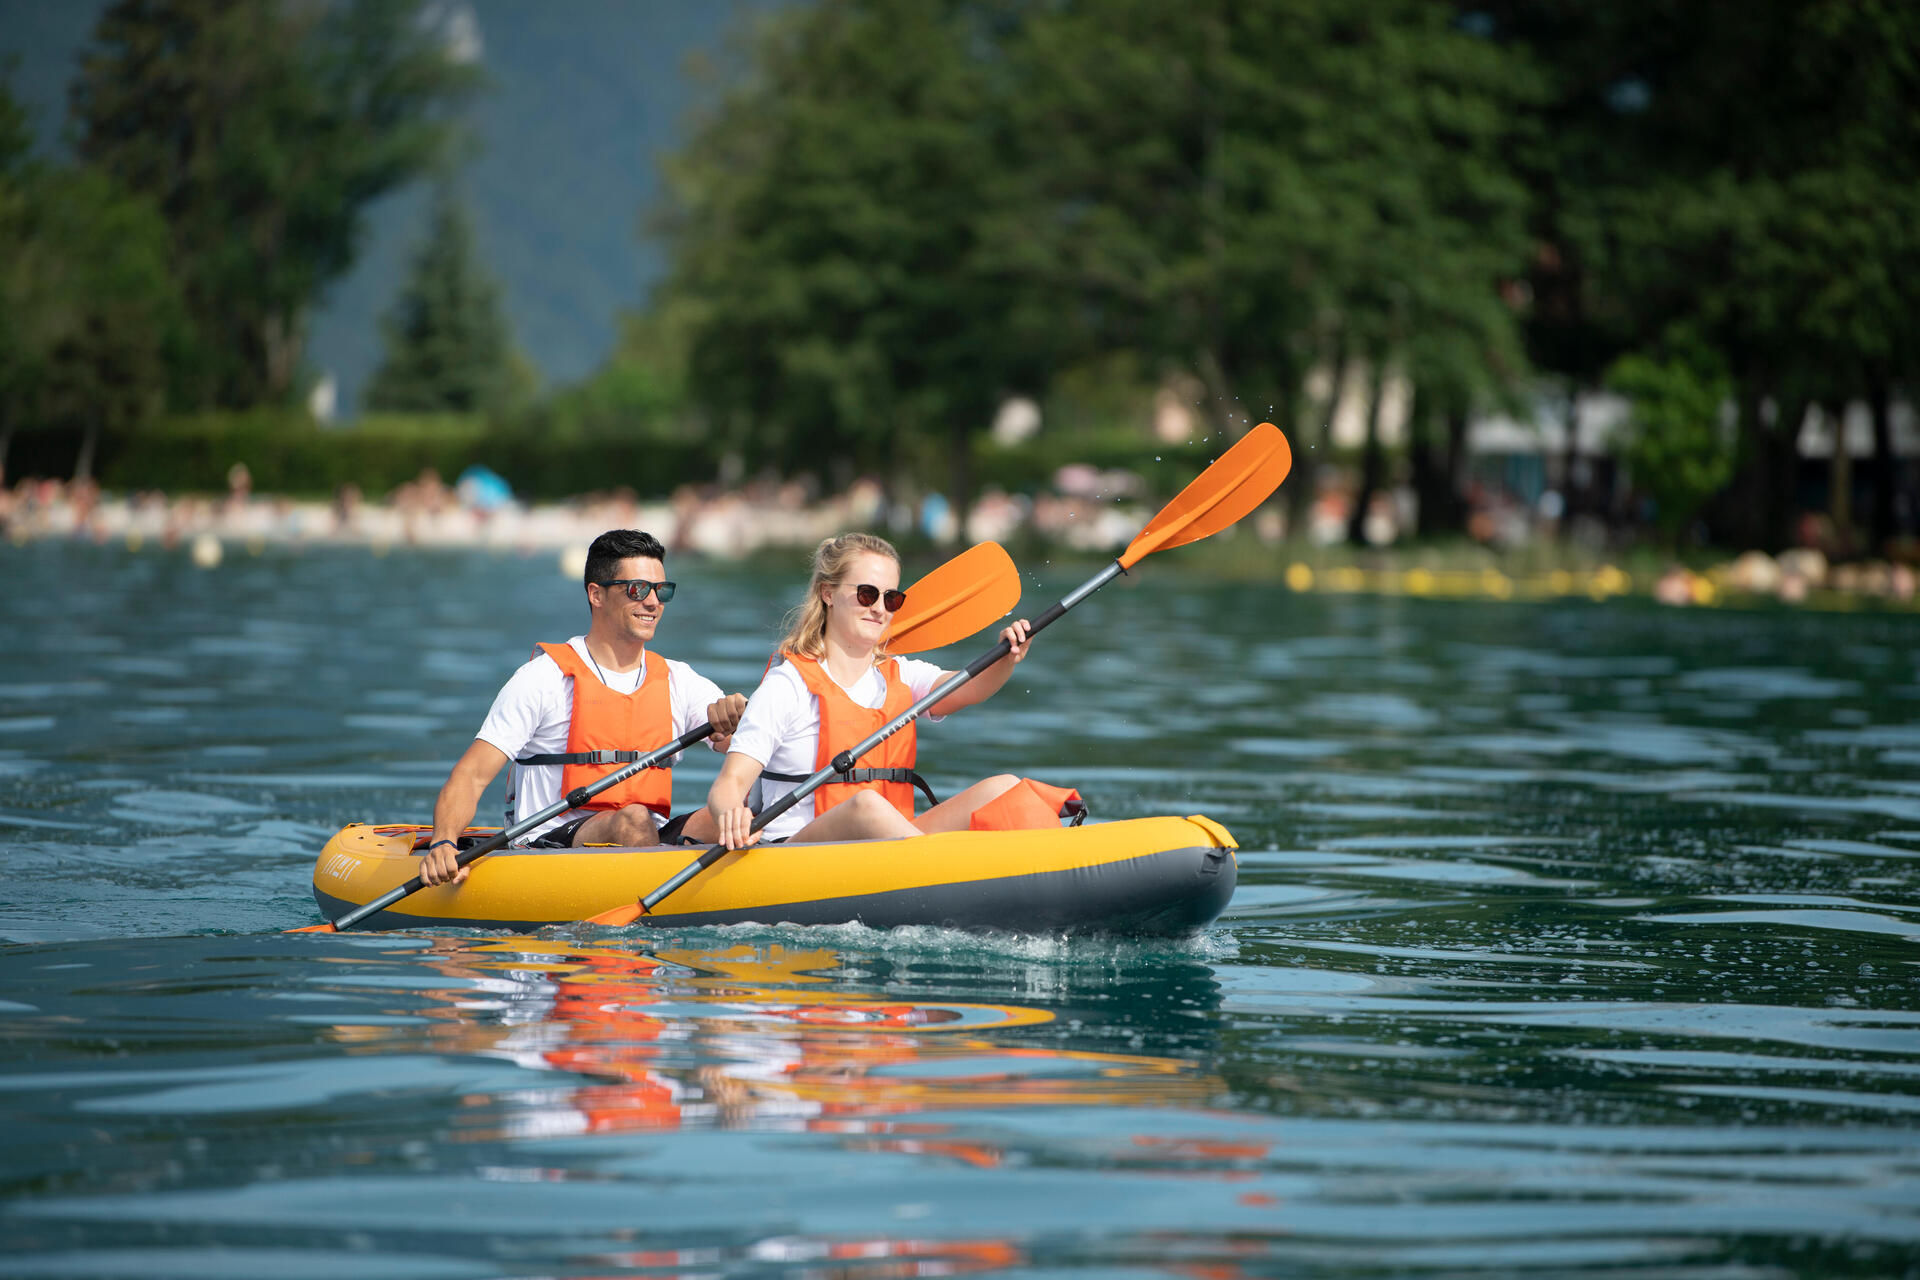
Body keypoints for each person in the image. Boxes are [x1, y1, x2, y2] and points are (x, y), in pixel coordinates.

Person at [421, 529, 746, 885]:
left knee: (734, 817)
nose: (653, 602)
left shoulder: (679, 681)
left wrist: (736, 719)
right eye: (637, 589)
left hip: (646, 840)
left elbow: (746, 748)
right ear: (597, 594)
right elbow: (471, 774)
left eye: (662, 591)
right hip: (549, 847)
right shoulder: (543, 679)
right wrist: (444, 841)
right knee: (633, 818)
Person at [706, 532, 1032, 849]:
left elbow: (969, 687)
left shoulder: (901, 674)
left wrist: (1008, 657)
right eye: (866, 594)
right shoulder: (787, 686)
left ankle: (1055, 867)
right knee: (867, 807)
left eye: (891, 598)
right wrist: (732, 815)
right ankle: (953, 877)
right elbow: (729, 785)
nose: (879, 609)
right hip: (797, 853)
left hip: (891, 846)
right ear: (828, 593)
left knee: (1005, 788)